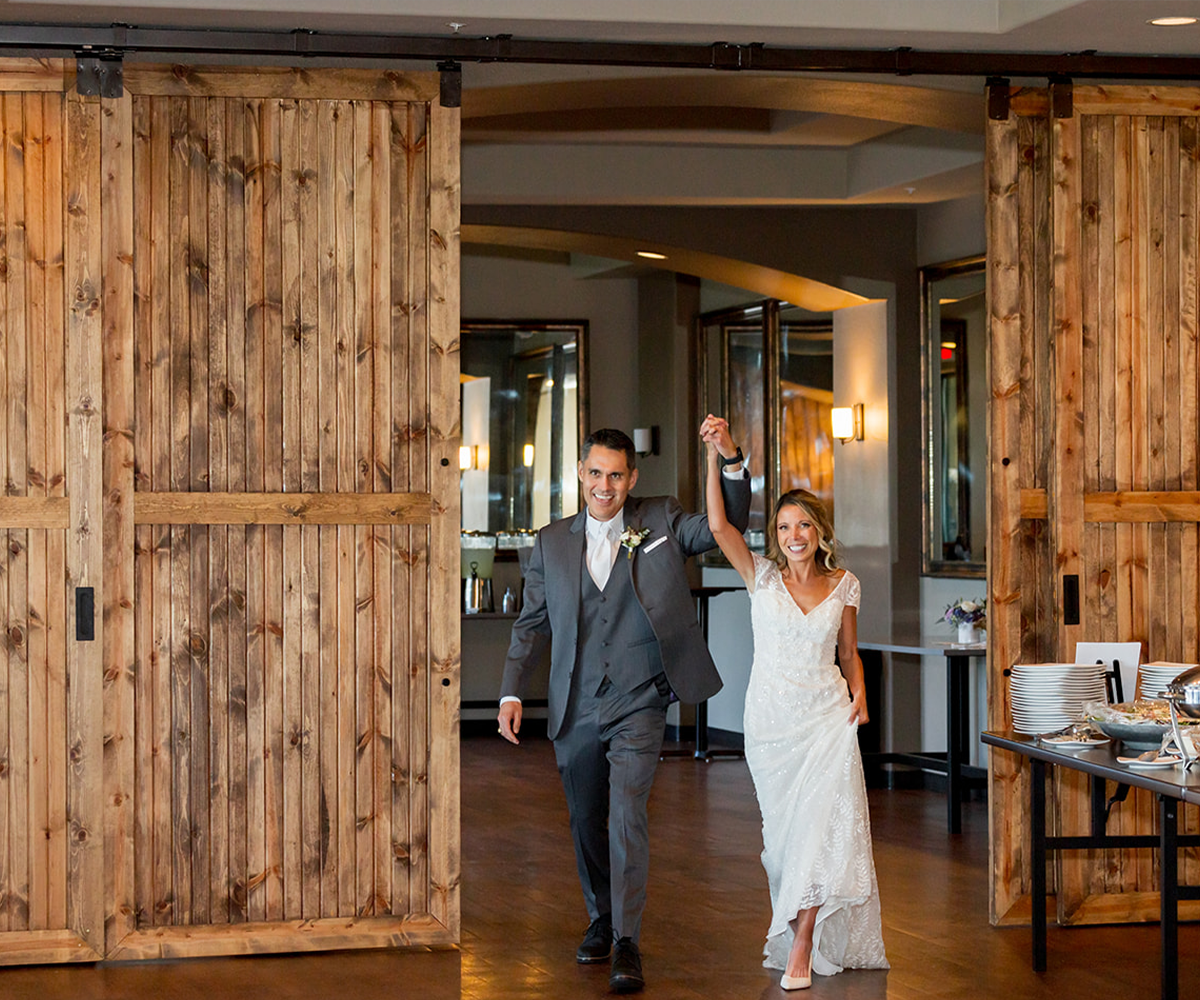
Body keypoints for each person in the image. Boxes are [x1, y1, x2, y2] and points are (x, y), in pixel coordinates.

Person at [498, 423, 750, 994]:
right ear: (580, 476)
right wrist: (512, 690)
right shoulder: (551, 541)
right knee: (586, 819)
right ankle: (600, 918)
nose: (605, 485)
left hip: (640, 699)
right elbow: (531, 623)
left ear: (631, 478)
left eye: (616, 475)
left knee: (627, 814)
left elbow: (722, 525)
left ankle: (627, 941)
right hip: (575, 703)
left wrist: (729, 459)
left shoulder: (661, 519)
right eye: (595, 474)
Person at [700, 413, 888, 991]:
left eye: (803, 524)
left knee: (820, 827)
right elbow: (717, 523)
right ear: (775, 536)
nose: (793, 535)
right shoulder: (759, 575)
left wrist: (860, 694)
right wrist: (714, 456)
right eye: (783, 526)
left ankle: (803, 940)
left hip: (827, 720)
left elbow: (850, 653)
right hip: (771, 725)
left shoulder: (845, 584)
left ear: (819, 530)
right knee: (783, 841)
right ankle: (794, 924)